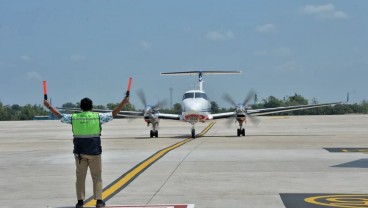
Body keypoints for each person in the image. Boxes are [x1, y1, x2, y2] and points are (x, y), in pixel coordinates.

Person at [44, 91, 130, 208]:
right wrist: (123, 103)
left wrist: (48, 106)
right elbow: (113, 114)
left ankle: (80, 202)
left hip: (80, 154)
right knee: (97, 177)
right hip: (94, 152)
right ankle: (99, 201)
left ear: (80, 107)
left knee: (80, 177)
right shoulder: (97, 117)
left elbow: (60, 116)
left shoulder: (74, 118)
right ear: (92, 107)